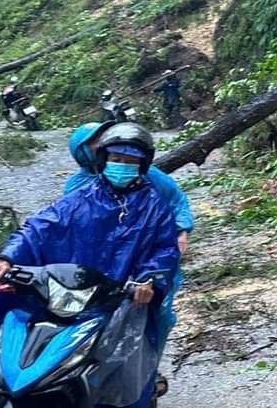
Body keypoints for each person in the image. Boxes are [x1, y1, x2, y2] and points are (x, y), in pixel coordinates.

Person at [0, 123, 180, 408]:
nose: (122, 166)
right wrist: (6, 258)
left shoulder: (154, 207)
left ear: (143, 164)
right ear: (102, 160)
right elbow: (38, 228)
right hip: (73, 294)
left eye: (130, 161)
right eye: (117, 159)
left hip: (120, 298)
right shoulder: (79, 198)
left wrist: (149, 279)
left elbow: (164, 250)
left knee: (128, 362)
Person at [67, 121, 192, 378]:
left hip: (145, 260)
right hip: (100, 265)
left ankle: (147, 372)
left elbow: (176, 199)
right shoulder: (78, 189)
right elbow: (56, 227)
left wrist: (180, 231)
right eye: (97, 141)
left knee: (154, 316)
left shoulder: (147, 184)